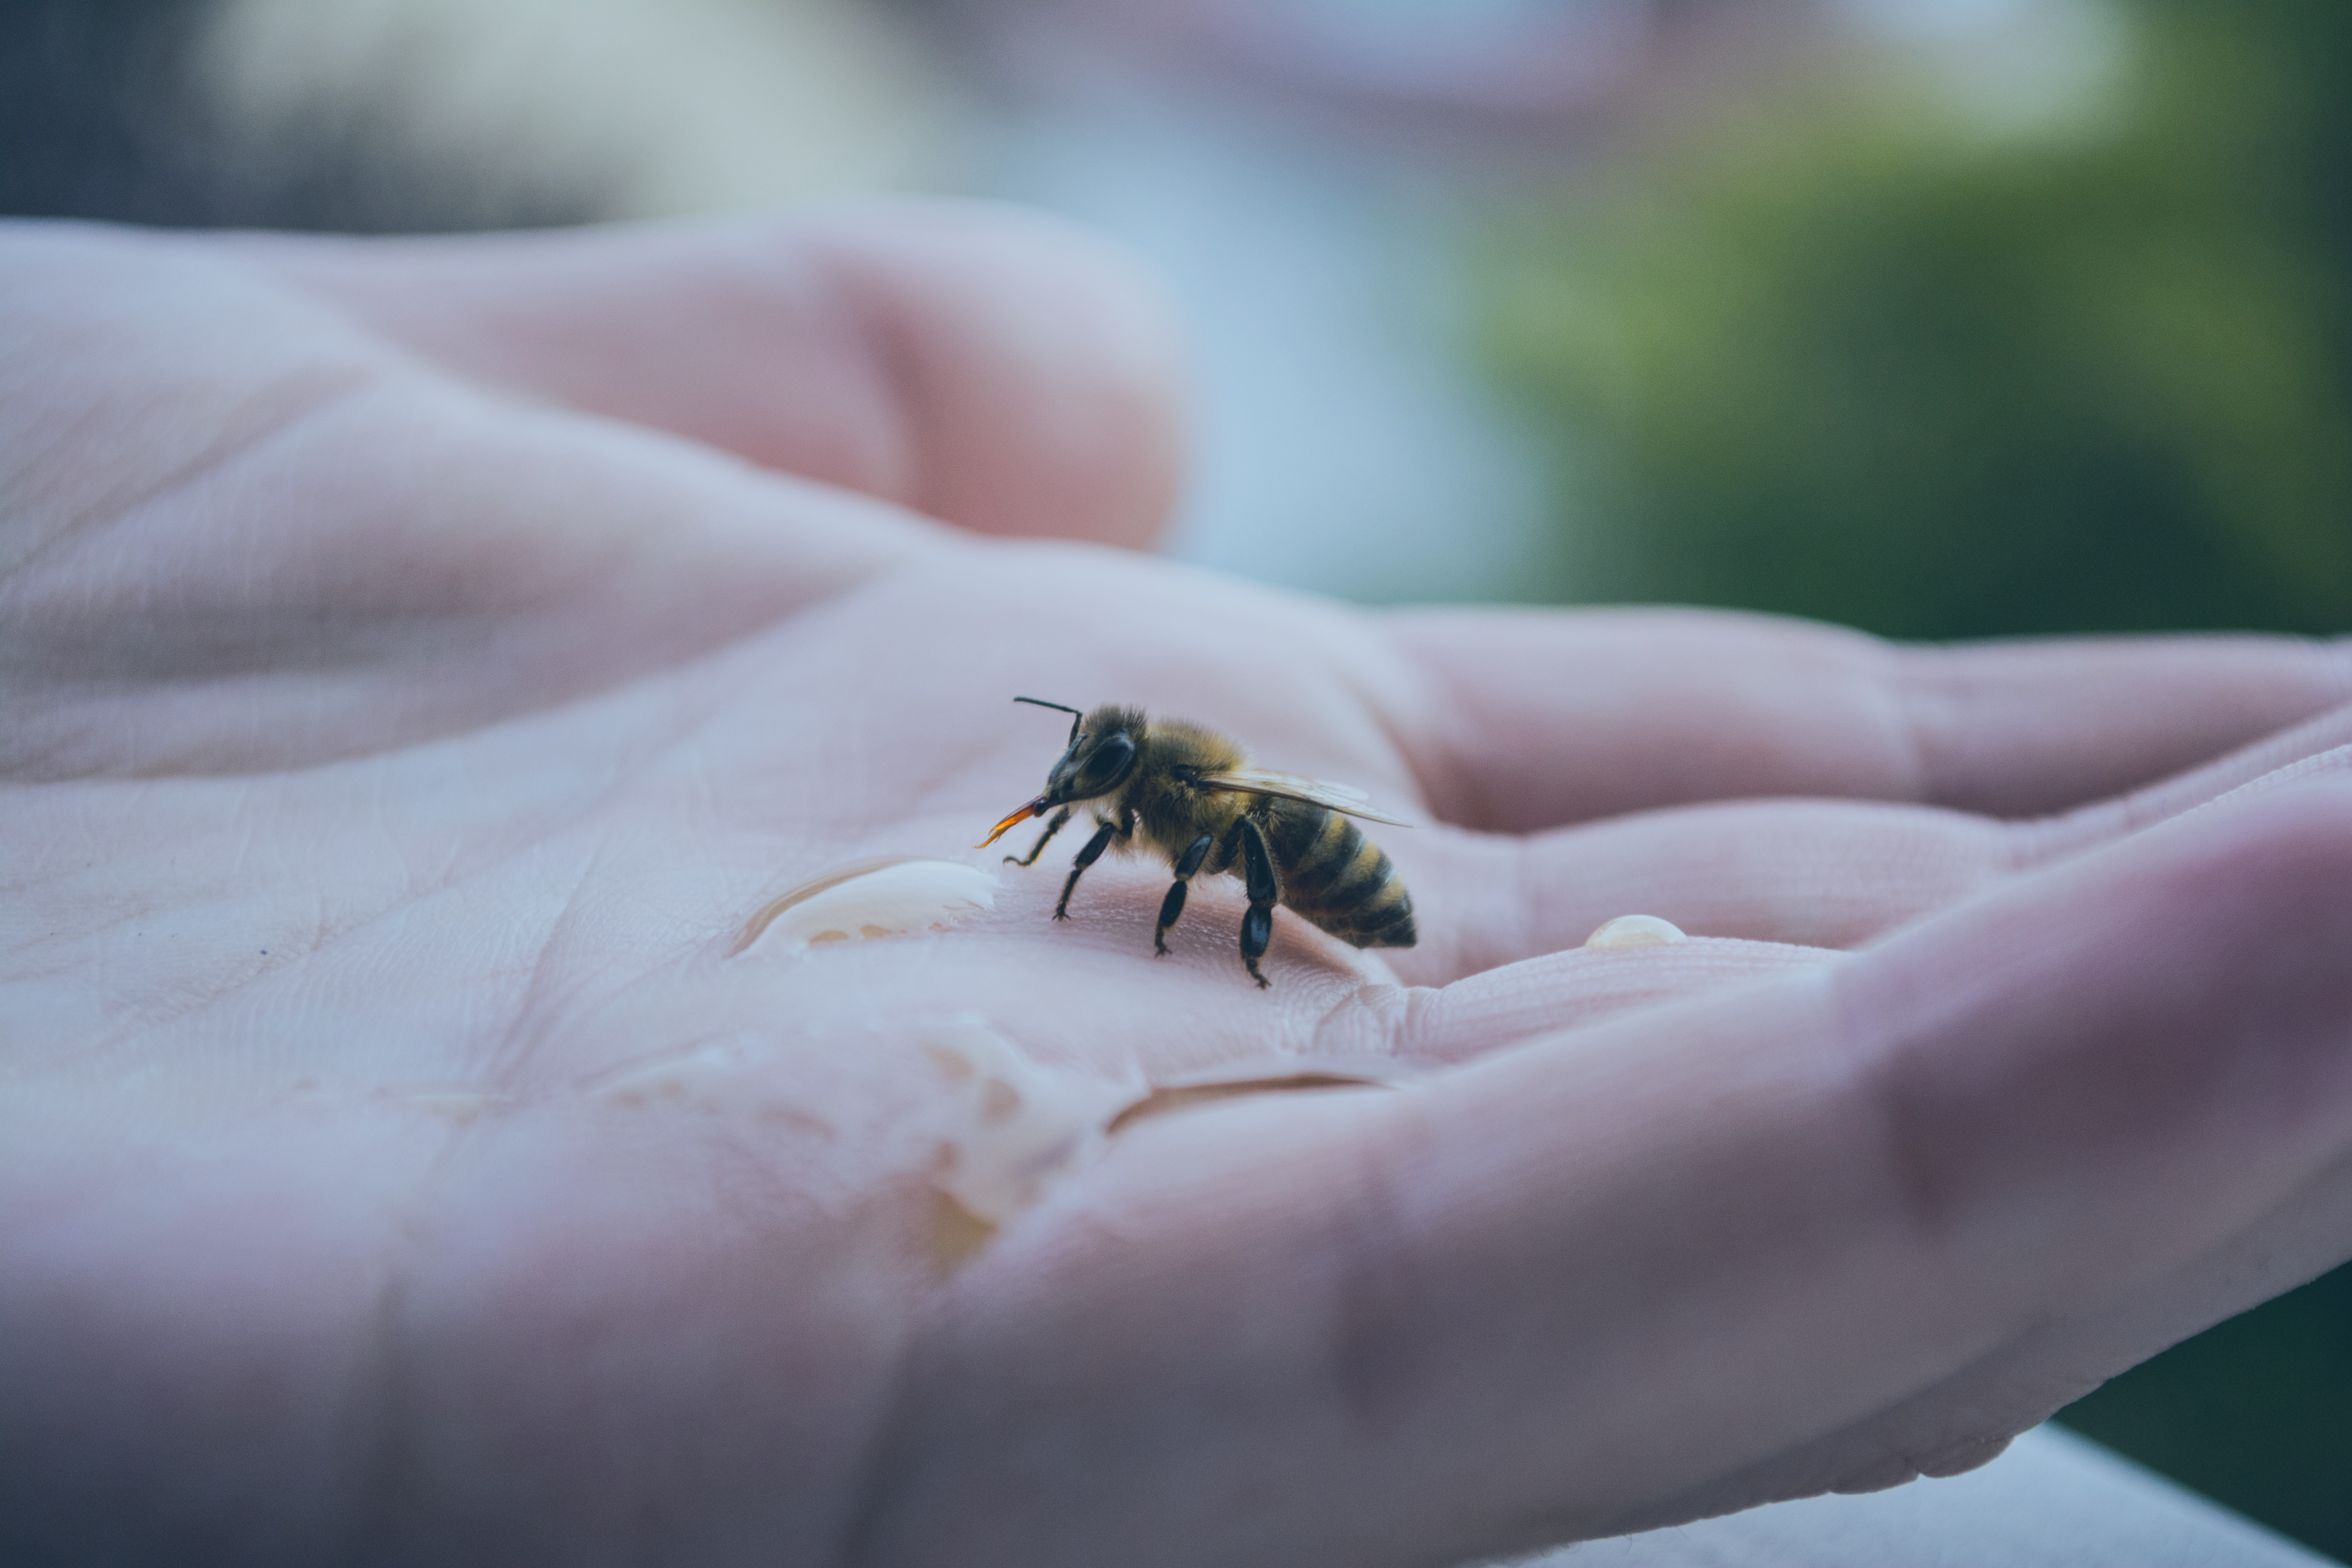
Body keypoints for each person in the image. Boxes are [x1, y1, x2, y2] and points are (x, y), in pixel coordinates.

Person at [4, 203, 2350, 1568]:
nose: (1073, 806)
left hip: (1319, 895)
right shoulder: (1132, 790)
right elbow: (1097, 819)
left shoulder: (1195, 823)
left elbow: (1193, 848)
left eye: (1091, 789)